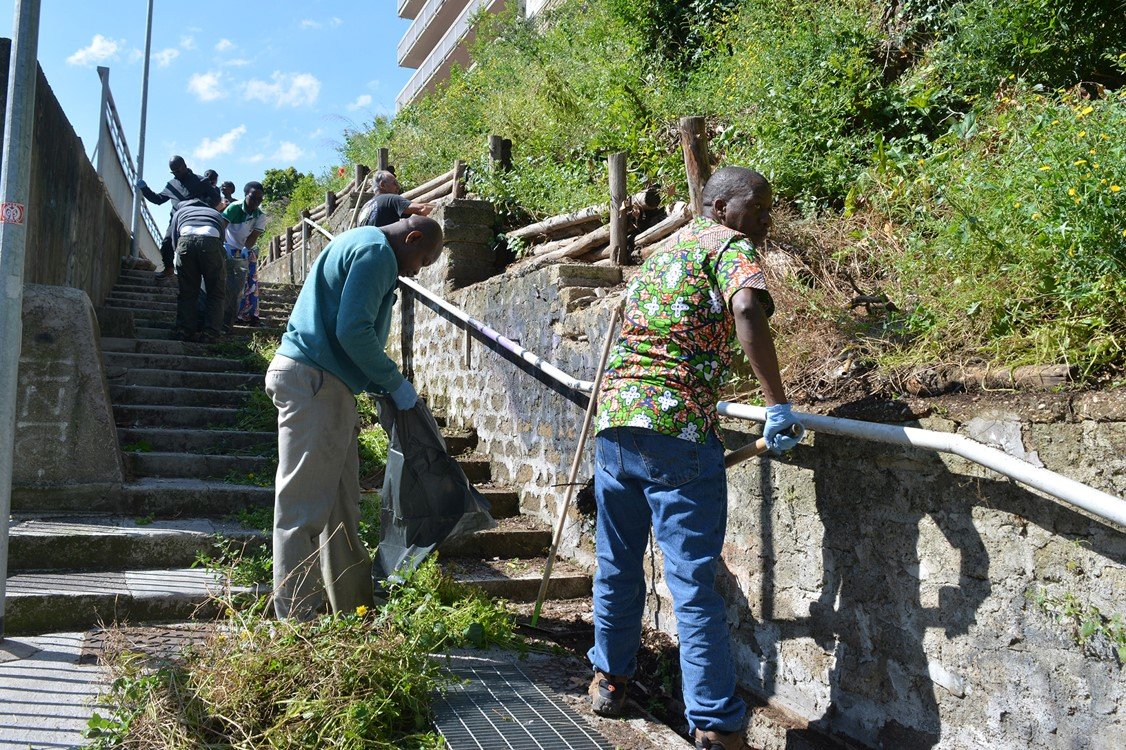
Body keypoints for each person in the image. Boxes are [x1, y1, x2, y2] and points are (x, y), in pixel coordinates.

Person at [585, 167, 805, 750]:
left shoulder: (660, 254)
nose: (765, 219)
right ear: (720, 206)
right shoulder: (729, 247)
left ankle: (610, 680)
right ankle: (714, 724)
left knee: (617, 564)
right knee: (691, 582)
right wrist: (777, 405)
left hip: (615, 423)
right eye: (757, 206)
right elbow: (748, 310)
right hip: (678, 429)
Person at [266, 216, 445, 620]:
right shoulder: (377, 252)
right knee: (302, 508)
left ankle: (353, 610)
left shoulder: (361, 242)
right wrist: (394, 382)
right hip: (315, 381)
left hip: (327, 384)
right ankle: (296, 621)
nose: (416, 271)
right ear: (412, 237)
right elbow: (353, 330)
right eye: (422, 260)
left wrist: (379, 383)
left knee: (341, 507)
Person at [137, 155, 221, 280]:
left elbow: (216, 198)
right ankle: (169, 269)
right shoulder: (172, 185)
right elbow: (158, 199)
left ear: (185, 166)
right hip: (176, 220)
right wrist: (145, 189)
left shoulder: (201, 180)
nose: (176, 174)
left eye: (178, 170)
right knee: (166, 243)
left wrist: (202, 206)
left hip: (196, 219)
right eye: (174, 172)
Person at [168, 196, 227, 343]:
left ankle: (184, 330)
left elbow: (172, 239)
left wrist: (176, 258)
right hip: (212, 240)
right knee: (215, 291)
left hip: (185, 240)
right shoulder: (214, 213)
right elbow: (221, 239)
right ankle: (210, 333)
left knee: (187, 291)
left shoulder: (180, 212)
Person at [221, 181, 267, 332]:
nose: (256, 202)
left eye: (260, 199)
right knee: (231, 283)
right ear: (246, 194)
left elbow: (253, 236)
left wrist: (246, 249)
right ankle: (229, 315)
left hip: (246, 248)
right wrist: (224, 245)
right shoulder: (234, 208)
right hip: (229, 246)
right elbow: (221, 227)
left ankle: (250, 315)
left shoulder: (260, 215)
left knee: (251, 282)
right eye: (253, 198)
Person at [359, 170, 434, 228]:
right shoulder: (391, 199)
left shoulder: (365, 207)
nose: (398, 187)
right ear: (383, 185)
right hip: (381, 242)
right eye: (394, 183)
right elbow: (422, 208)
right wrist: (438, 206)